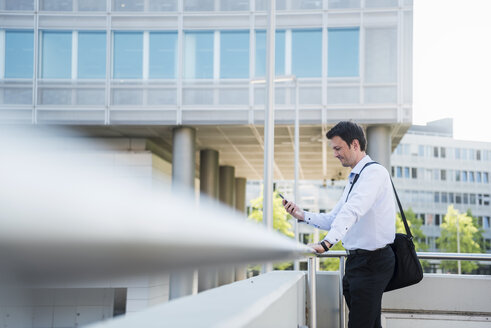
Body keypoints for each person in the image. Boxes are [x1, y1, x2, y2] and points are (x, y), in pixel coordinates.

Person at [283, 121, 395, 328]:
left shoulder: (374, 174)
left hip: (373, 263)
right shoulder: (356, 177)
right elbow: (336, 218)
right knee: (369, 324)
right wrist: (302, 215)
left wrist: (326, 244)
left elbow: (352, 211)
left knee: (361, 324)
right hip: (358, 264)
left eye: (337, 148)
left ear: (354, 144)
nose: (335, 154)